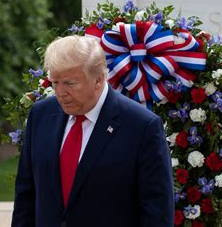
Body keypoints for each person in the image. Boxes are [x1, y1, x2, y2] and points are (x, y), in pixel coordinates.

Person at [12, 35, 174, 227]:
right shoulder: (40, 115)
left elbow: (157, 212)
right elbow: (26, 196)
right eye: (55, 83)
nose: (60, 93)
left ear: (98, 80)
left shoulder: (142, 127)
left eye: (69, 83)